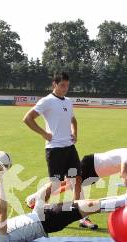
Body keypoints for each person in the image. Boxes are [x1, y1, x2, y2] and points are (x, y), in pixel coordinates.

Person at [0, 171, 127, 242]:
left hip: (40, 214)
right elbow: (1, 212)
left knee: (47, 188)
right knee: (89, 205)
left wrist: (38, 200)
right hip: (47, 222)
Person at [24, 147, 127, 229]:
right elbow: (123, 169)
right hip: (91, 164)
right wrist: (125, 178)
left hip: (96, 173)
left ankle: (33, 198)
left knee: (66, 185)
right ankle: (83, 219)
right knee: (68, 186)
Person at [23, 72, 90, 227]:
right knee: (56, 184)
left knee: (77, 180)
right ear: (54, 84)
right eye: (62, 85)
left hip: (69, 148)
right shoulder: (47, 101)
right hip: (55, 150)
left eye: (67, 85)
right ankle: (36, 211)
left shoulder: (68, 101)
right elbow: (27, 118)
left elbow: (73, 119)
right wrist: (44, 133)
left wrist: (75, 133)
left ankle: (80, 216)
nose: (65, 88)